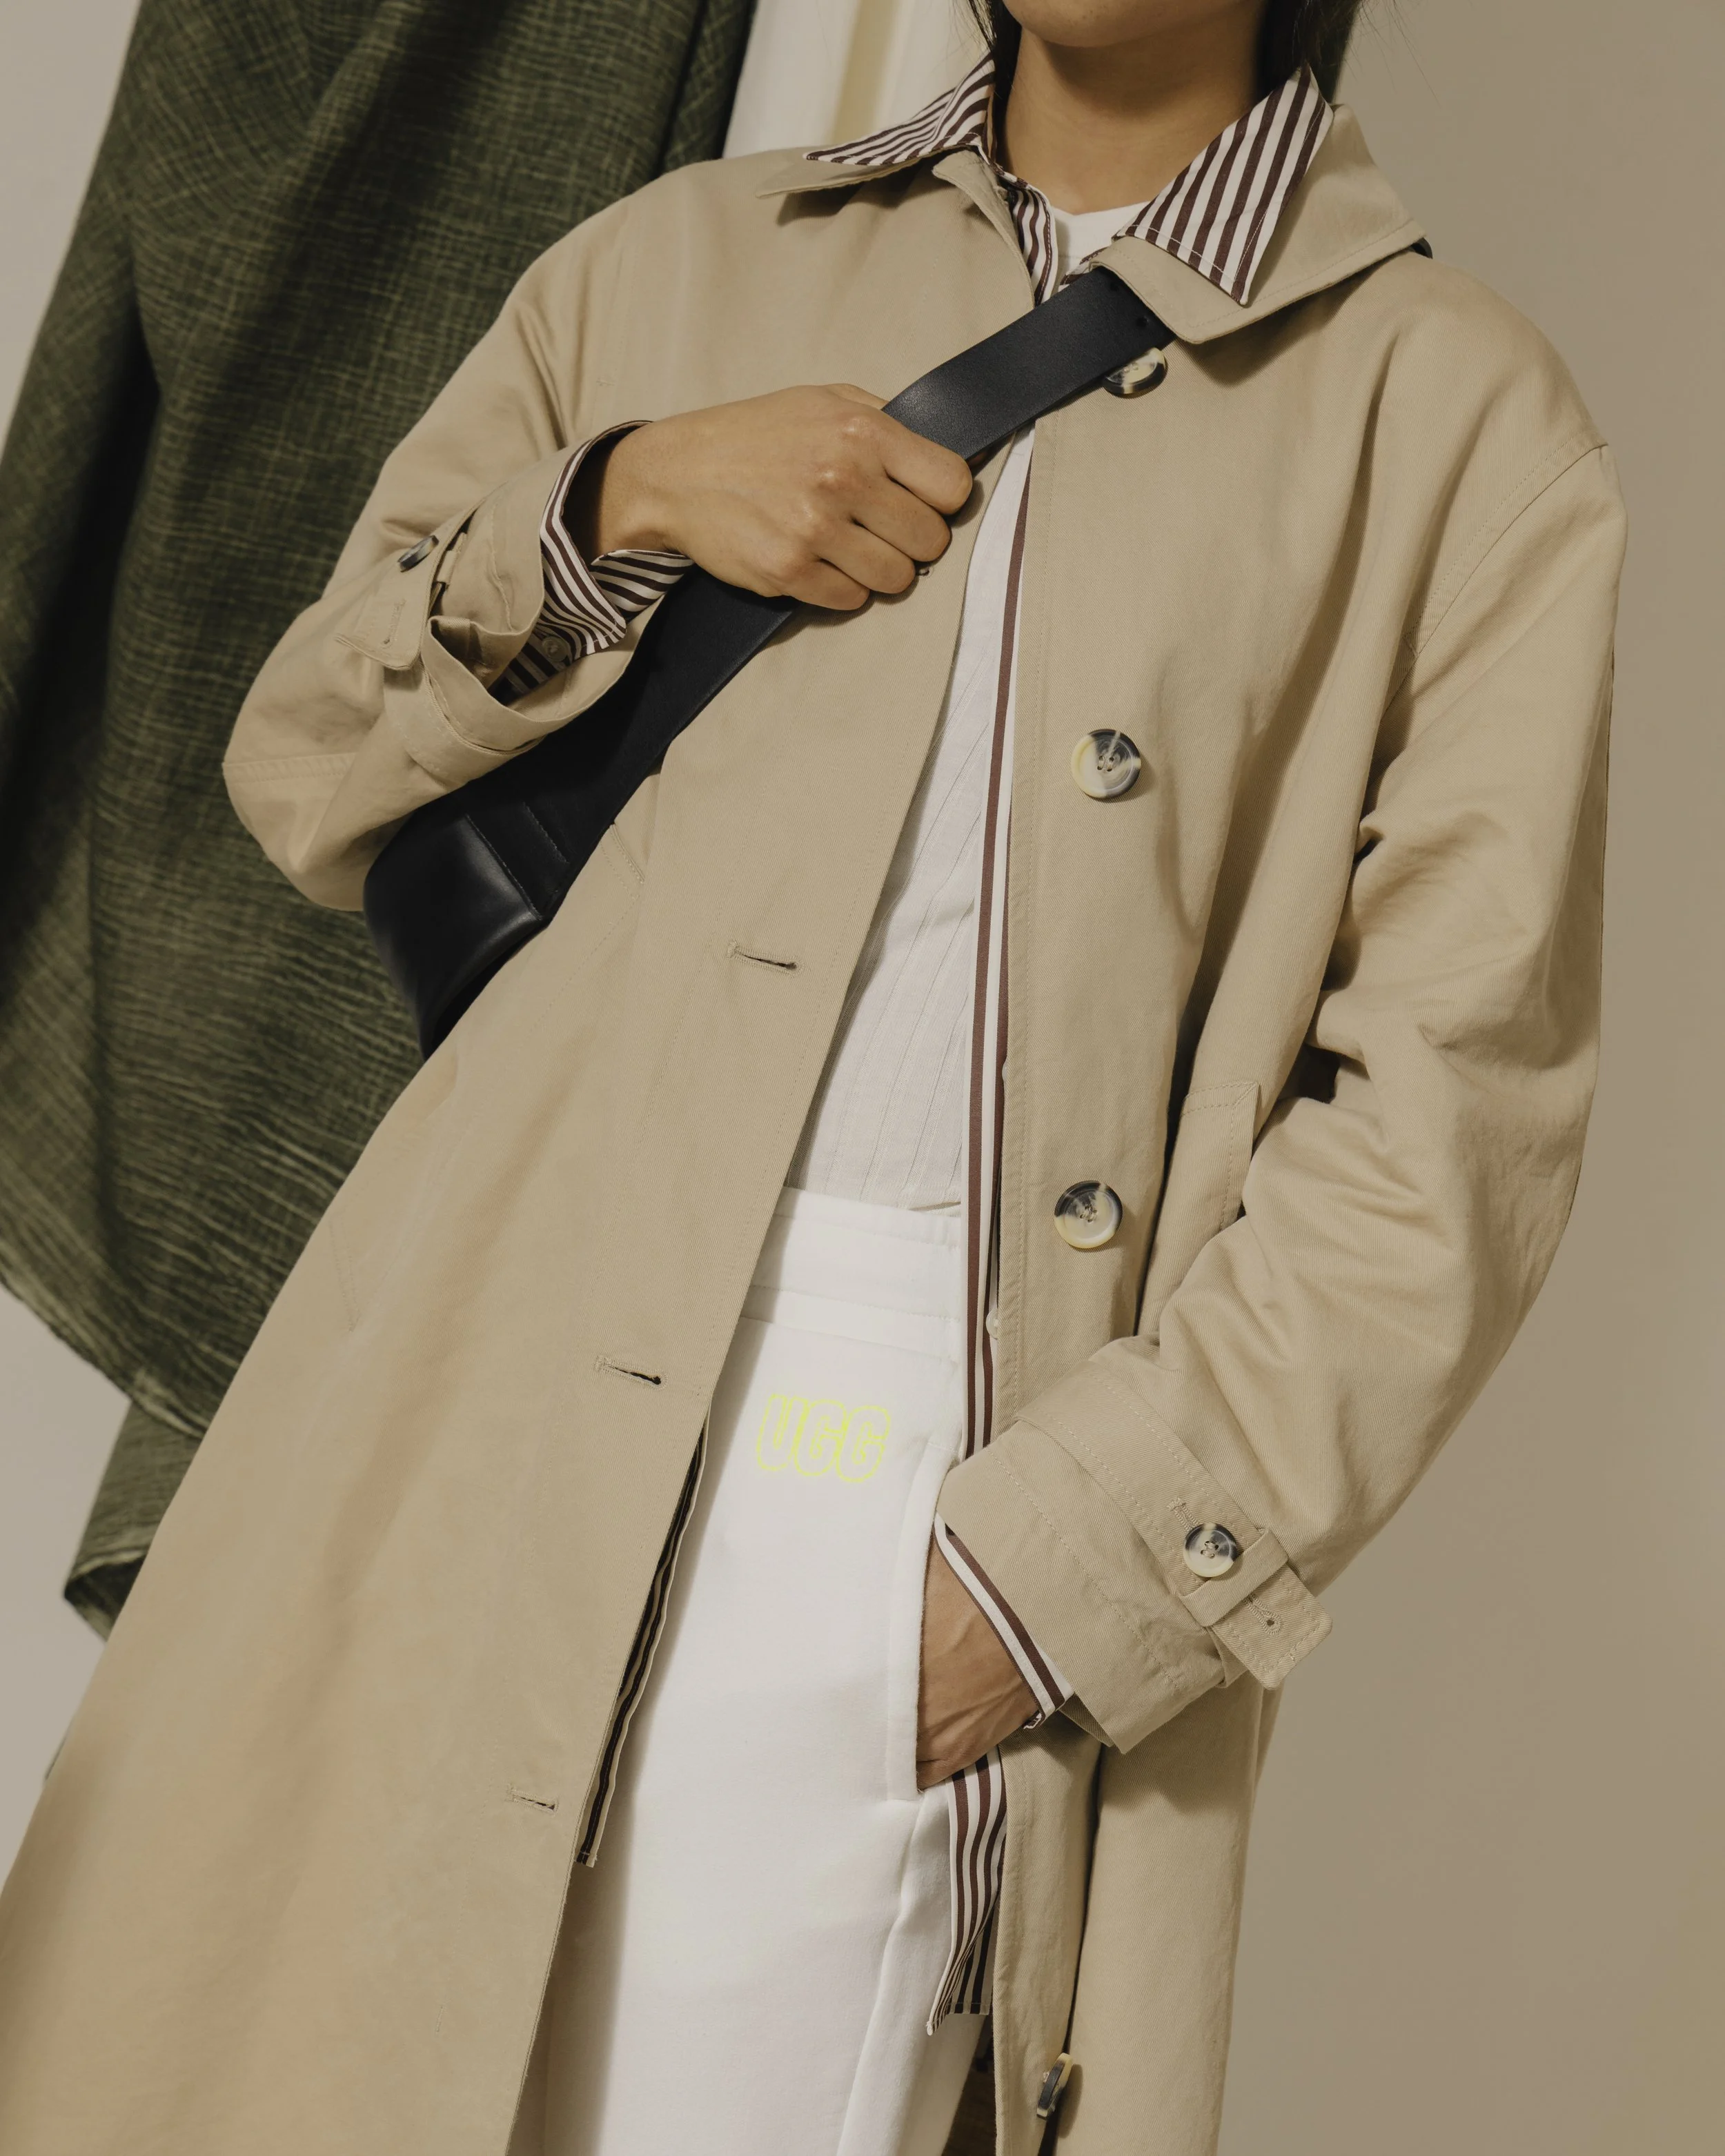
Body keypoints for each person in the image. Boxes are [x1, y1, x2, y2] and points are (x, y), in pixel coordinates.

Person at [0, 3, 1623, 2153]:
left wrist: (1048, 1583)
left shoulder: (1460, 421)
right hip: (485, 1376)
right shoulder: (677, 258)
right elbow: (305, 757)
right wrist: (621, 499)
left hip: (932, 1458)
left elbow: (1446, 1130)